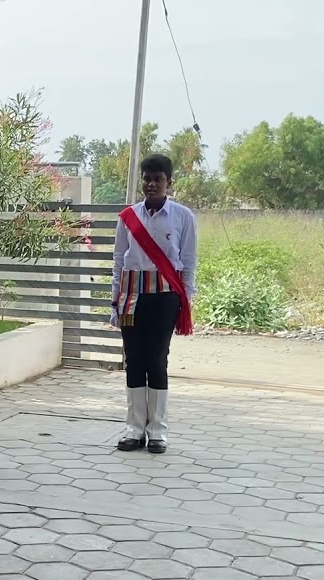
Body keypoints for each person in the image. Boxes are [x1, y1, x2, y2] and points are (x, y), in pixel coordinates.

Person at [110, 154, 198, 455]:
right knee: (133, 361)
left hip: (164, 297)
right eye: (147, 178)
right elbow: (118, 261)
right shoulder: (127, 218)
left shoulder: (183, 217)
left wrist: (185, 301)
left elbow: (188, 262)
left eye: (157, 179)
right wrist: (115, 301)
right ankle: (133, 428)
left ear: (169, 183)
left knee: (157, 362)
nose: (151, 184)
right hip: (132, 296)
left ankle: (157, 431)